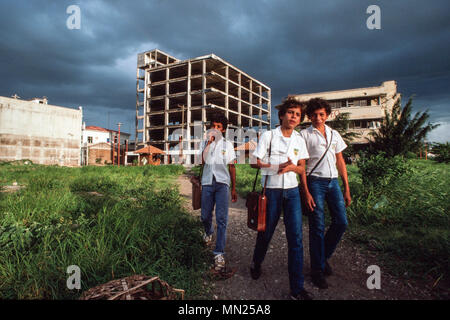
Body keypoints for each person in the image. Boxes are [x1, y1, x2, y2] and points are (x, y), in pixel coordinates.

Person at [249, 97, 313, 300]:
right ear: (282, 115)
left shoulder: (299, 139)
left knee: (296, 239)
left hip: (292, 192)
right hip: (272, 192)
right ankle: (256, 262)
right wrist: (274, 167)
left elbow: (302, 167)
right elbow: (254, 162)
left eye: (297, 114)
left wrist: (292, 167)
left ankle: (297, 288)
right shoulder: (269, 136)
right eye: (290, 112)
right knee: (265, 234)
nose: (294, 116)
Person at [300, 98, 352, 289]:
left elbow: (340, 161)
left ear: (327, 115)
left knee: (341, 222)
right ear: (309, 116)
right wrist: (305, 191)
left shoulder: (334, 134)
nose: (318, 118)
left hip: (333, 183)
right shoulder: (304, 135)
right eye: (314, 115)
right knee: (317, 226)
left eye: (321, 114)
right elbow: (302, 165)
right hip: (315, 183)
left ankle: (322, 258)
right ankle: (317, 270)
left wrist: (346, 188)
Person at [200, 112, 238, 271]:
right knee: (205, 215)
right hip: (208, 182)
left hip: (222, 183)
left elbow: (232, 166)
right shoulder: (205, 142)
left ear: (223, 129)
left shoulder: (227, 145)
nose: (215, 129)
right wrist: (208, 143)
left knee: (222, 219)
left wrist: (234, 188)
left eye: (219, 127)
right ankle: (208, 231)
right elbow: (202, 161)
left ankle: (219, 252)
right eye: (213, 126)